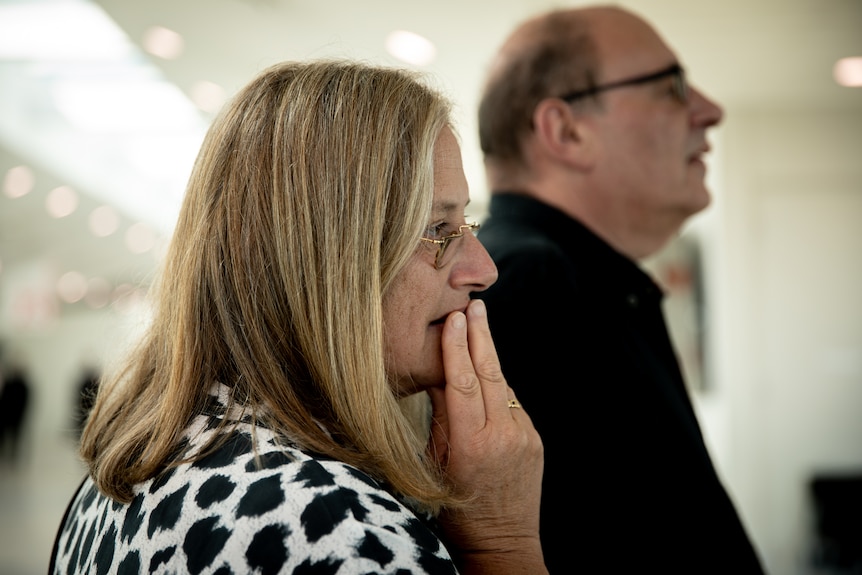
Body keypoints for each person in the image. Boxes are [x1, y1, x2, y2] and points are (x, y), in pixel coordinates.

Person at [49, 60, 547, 574]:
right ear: (320, 260)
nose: (483, 269)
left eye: (467, 222)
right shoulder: (332, 529)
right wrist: (502, 543)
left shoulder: (134, 468)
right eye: (439, 229)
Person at [474, 5, 764, 573]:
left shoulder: (573, 280)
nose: (711, 111)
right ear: (568, 131)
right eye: (672, 87)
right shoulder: (528, 285)